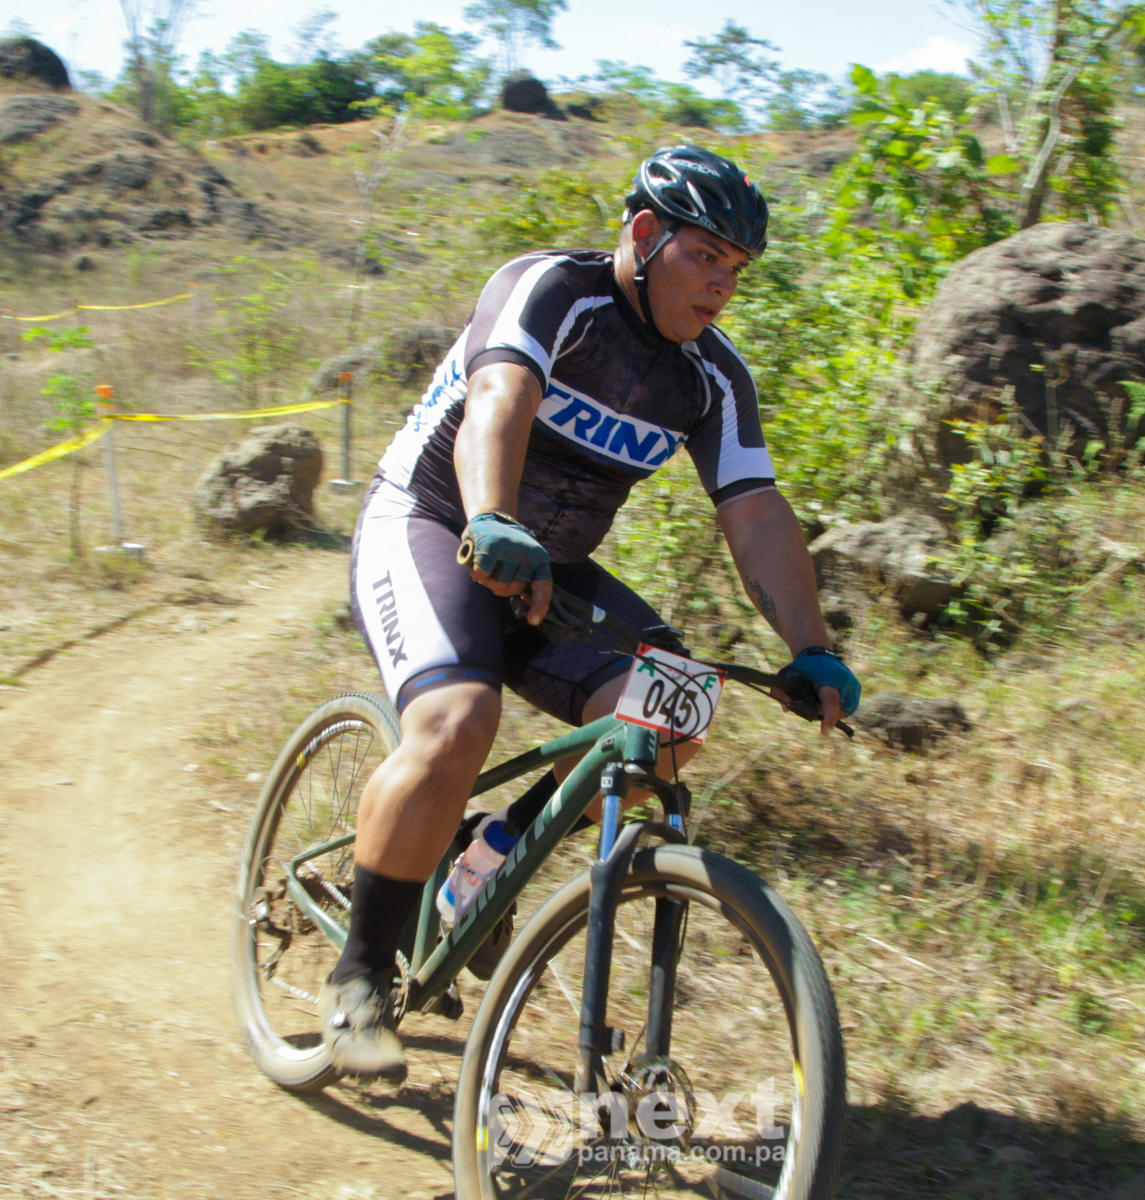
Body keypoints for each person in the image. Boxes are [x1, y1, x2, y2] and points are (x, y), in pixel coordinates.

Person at [329, 146, 862, 1079]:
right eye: (705, 256)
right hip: (434, 520)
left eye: (737, 268)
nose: (722, 285)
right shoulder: (552, 292)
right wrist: (493, 517)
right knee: (456, 721)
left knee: (671, 713)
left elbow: (755, 513)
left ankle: (490, 852)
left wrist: (811, 646)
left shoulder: (712, 378)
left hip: (553, 567)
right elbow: (500, 397)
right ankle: (362, 977)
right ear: (645, 235)